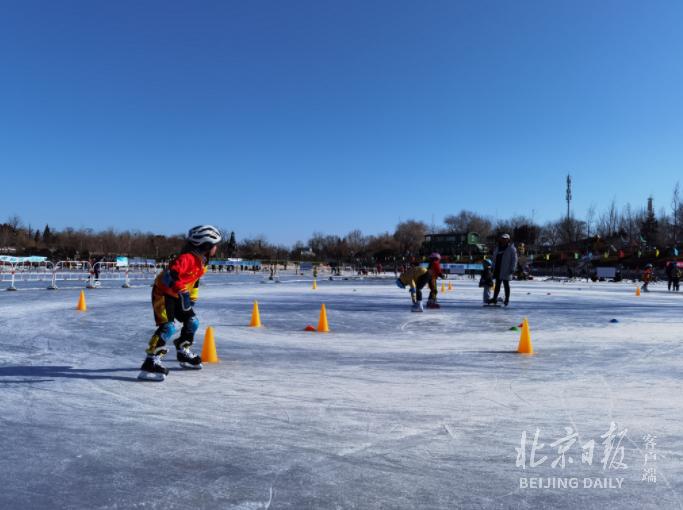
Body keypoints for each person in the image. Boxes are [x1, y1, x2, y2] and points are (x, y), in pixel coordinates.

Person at [138, 225, 222, 381]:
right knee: (168, 327)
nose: (216, 248)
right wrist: (182, 290)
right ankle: (150, 361)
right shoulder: (186, 258)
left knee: (193, 322)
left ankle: (183, 350)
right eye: (215, 245)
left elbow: (194, 280)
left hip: (178, 295)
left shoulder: (203, 262)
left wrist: (193, 296)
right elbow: (171, 275)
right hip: (163, 293)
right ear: (206, 245)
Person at [489, 233, 518, 306]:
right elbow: (494, 258)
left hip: (506, 269)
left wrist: (513, 268)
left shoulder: (511, 248)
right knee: (497, 284)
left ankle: (507, 299)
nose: (503, 240)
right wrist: (492, 266)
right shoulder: (498, 248)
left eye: (505, 239)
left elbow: (514, 259)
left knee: (506, 284)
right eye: (502, 238)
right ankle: (494, 298)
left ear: (508, 240)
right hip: (498, 268)